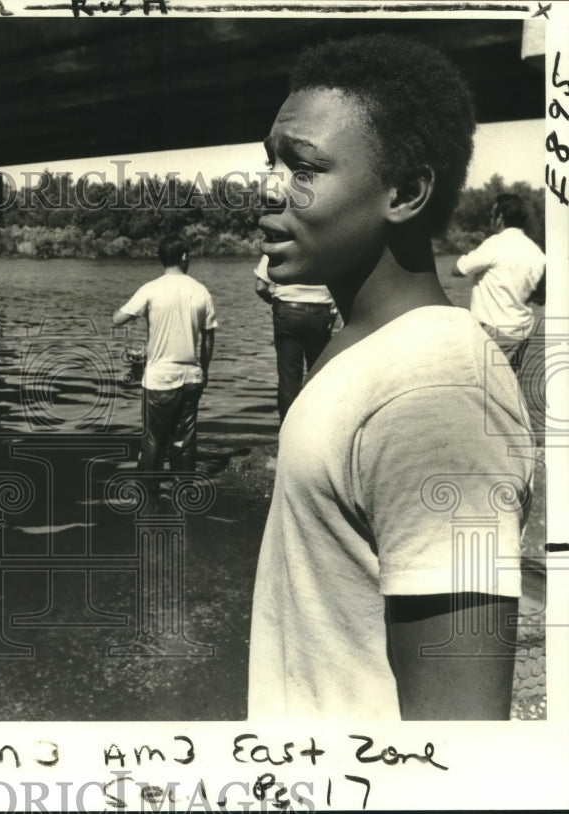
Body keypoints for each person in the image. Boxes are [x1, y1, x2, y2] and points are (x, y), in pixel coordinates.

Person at [247, 34, 535, 720]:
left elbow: (460, 735)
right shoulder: (360, 345)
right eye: (270, 162)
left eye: (304, 166)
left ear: (404, 192)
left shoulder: (439, 394)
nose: (269, 190)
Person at [112, 235, 217, 475]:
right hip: (191, 377)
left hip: (159, 379)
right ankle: (184, 495)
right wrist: (205, 370)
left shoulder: (150, 289)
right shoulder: (201, 291)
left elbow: (117, 319)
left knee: (153, 441)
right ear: (183, 257)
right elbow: (209, 336)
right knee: (184, 441)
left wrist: (131, 311)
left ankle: (149, 499)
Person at [452, 193, 546, 366]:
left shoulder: (495, 243)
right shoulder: (537, 252)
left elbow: (458, 269)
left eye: (493, 214)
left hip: (493, 332)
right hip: (522, 332)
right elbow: (541, 298)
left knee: (484, 388)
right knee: (508, 386)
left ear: (500, 218)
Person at [253, 255, 336, 422]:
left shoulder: (279, 245)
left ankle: (287, 431)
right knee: (318, 376)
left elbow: (261, 286)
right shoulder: (326, 242)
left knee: (288, 379)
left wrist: (274, 302)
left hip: (287, 312)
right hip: (320, 315)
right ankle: (316, 427)